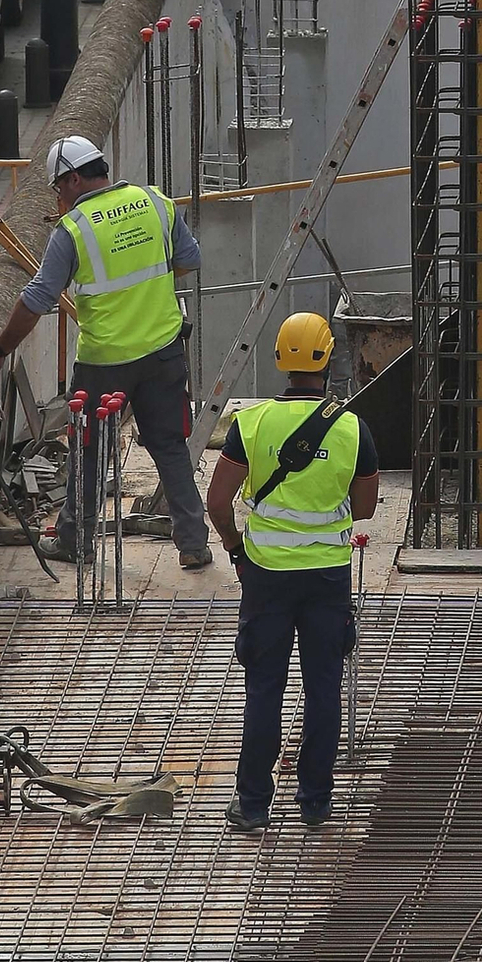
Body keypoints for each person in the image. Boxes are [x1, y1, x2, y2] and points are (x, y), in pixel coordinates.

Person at [0, 134, 213, 569]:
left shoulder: (75, 229)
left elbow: (38, 298)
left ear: (74, 179)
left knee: (88, 452)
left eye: (57, 188)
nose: (57, 198)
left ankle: (75, 542)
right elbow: (189, 259)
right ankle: (194, 544)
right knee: (171, 448)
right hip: (162, 351)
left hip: (105, 363)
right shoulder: (153, 201)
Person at [205, 311, 379, 834]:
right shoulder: (351, 427)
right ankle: (315, 803)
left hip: (265, 577)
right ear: (327, 358)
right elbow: (366, 507)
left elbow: (217, 502)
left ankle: (253, 804)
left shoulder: (251, 424)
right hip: (327, 578)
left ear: (280, 359)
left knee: (265, 688)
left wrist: (237, 549)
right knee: (323, 688)